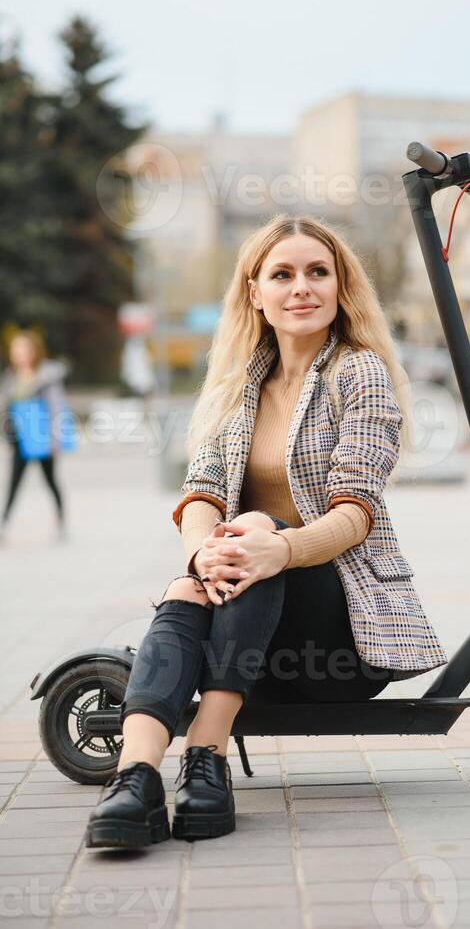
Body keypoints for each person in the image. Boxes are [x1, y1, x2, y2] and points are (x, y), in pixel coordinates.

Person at [85, 215, 448, 850]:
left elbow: (354, 513)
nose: (301, 287)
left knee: (251, 535)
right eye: (282, 274)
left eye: (317, 272)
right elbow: (200, 492)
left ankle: (206, 753)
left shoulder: (358, 374)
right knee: (188, 585)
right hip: (243, 635)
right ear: (255, 292)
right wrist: (204, 556)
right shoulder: (237, 384)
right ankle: (136, 779)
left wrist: (273, 544)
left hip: (336, 639)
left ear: (340, 288)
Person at [0, 330, 68, 541]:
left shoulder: (46, 376)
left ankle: (60, 522)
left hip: (41, 438)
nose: (19, 353)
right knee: (13, 482)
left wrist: (55, 439)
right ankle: (4, 524)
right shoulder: (12, 377)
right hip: (20, 440)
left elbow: (57, 408)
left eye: (23, 349)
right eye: (15, 349)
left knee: (50, 481)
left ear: (33, 351)